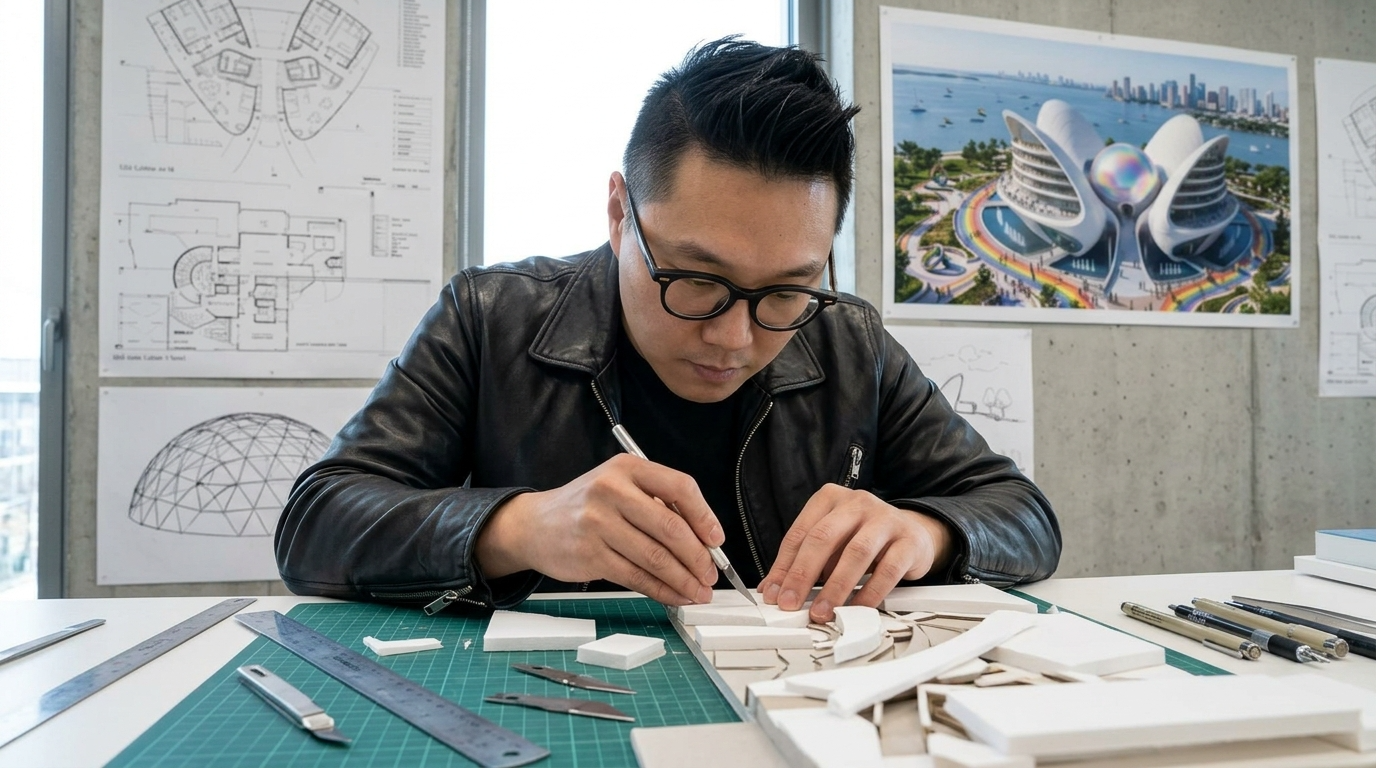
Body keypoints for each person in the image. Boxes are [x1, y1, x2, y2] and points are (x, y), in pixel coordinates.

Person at [276, 38, 1060, 623]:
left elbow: (1021, 514)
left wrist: (924, 533)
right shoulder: (490, 318)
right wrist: (516, 528)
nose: (732, 338)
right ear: (621, 214)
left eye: (785, 292)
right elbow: (316, 521)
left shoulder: (849, 343)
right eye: (695, 281)